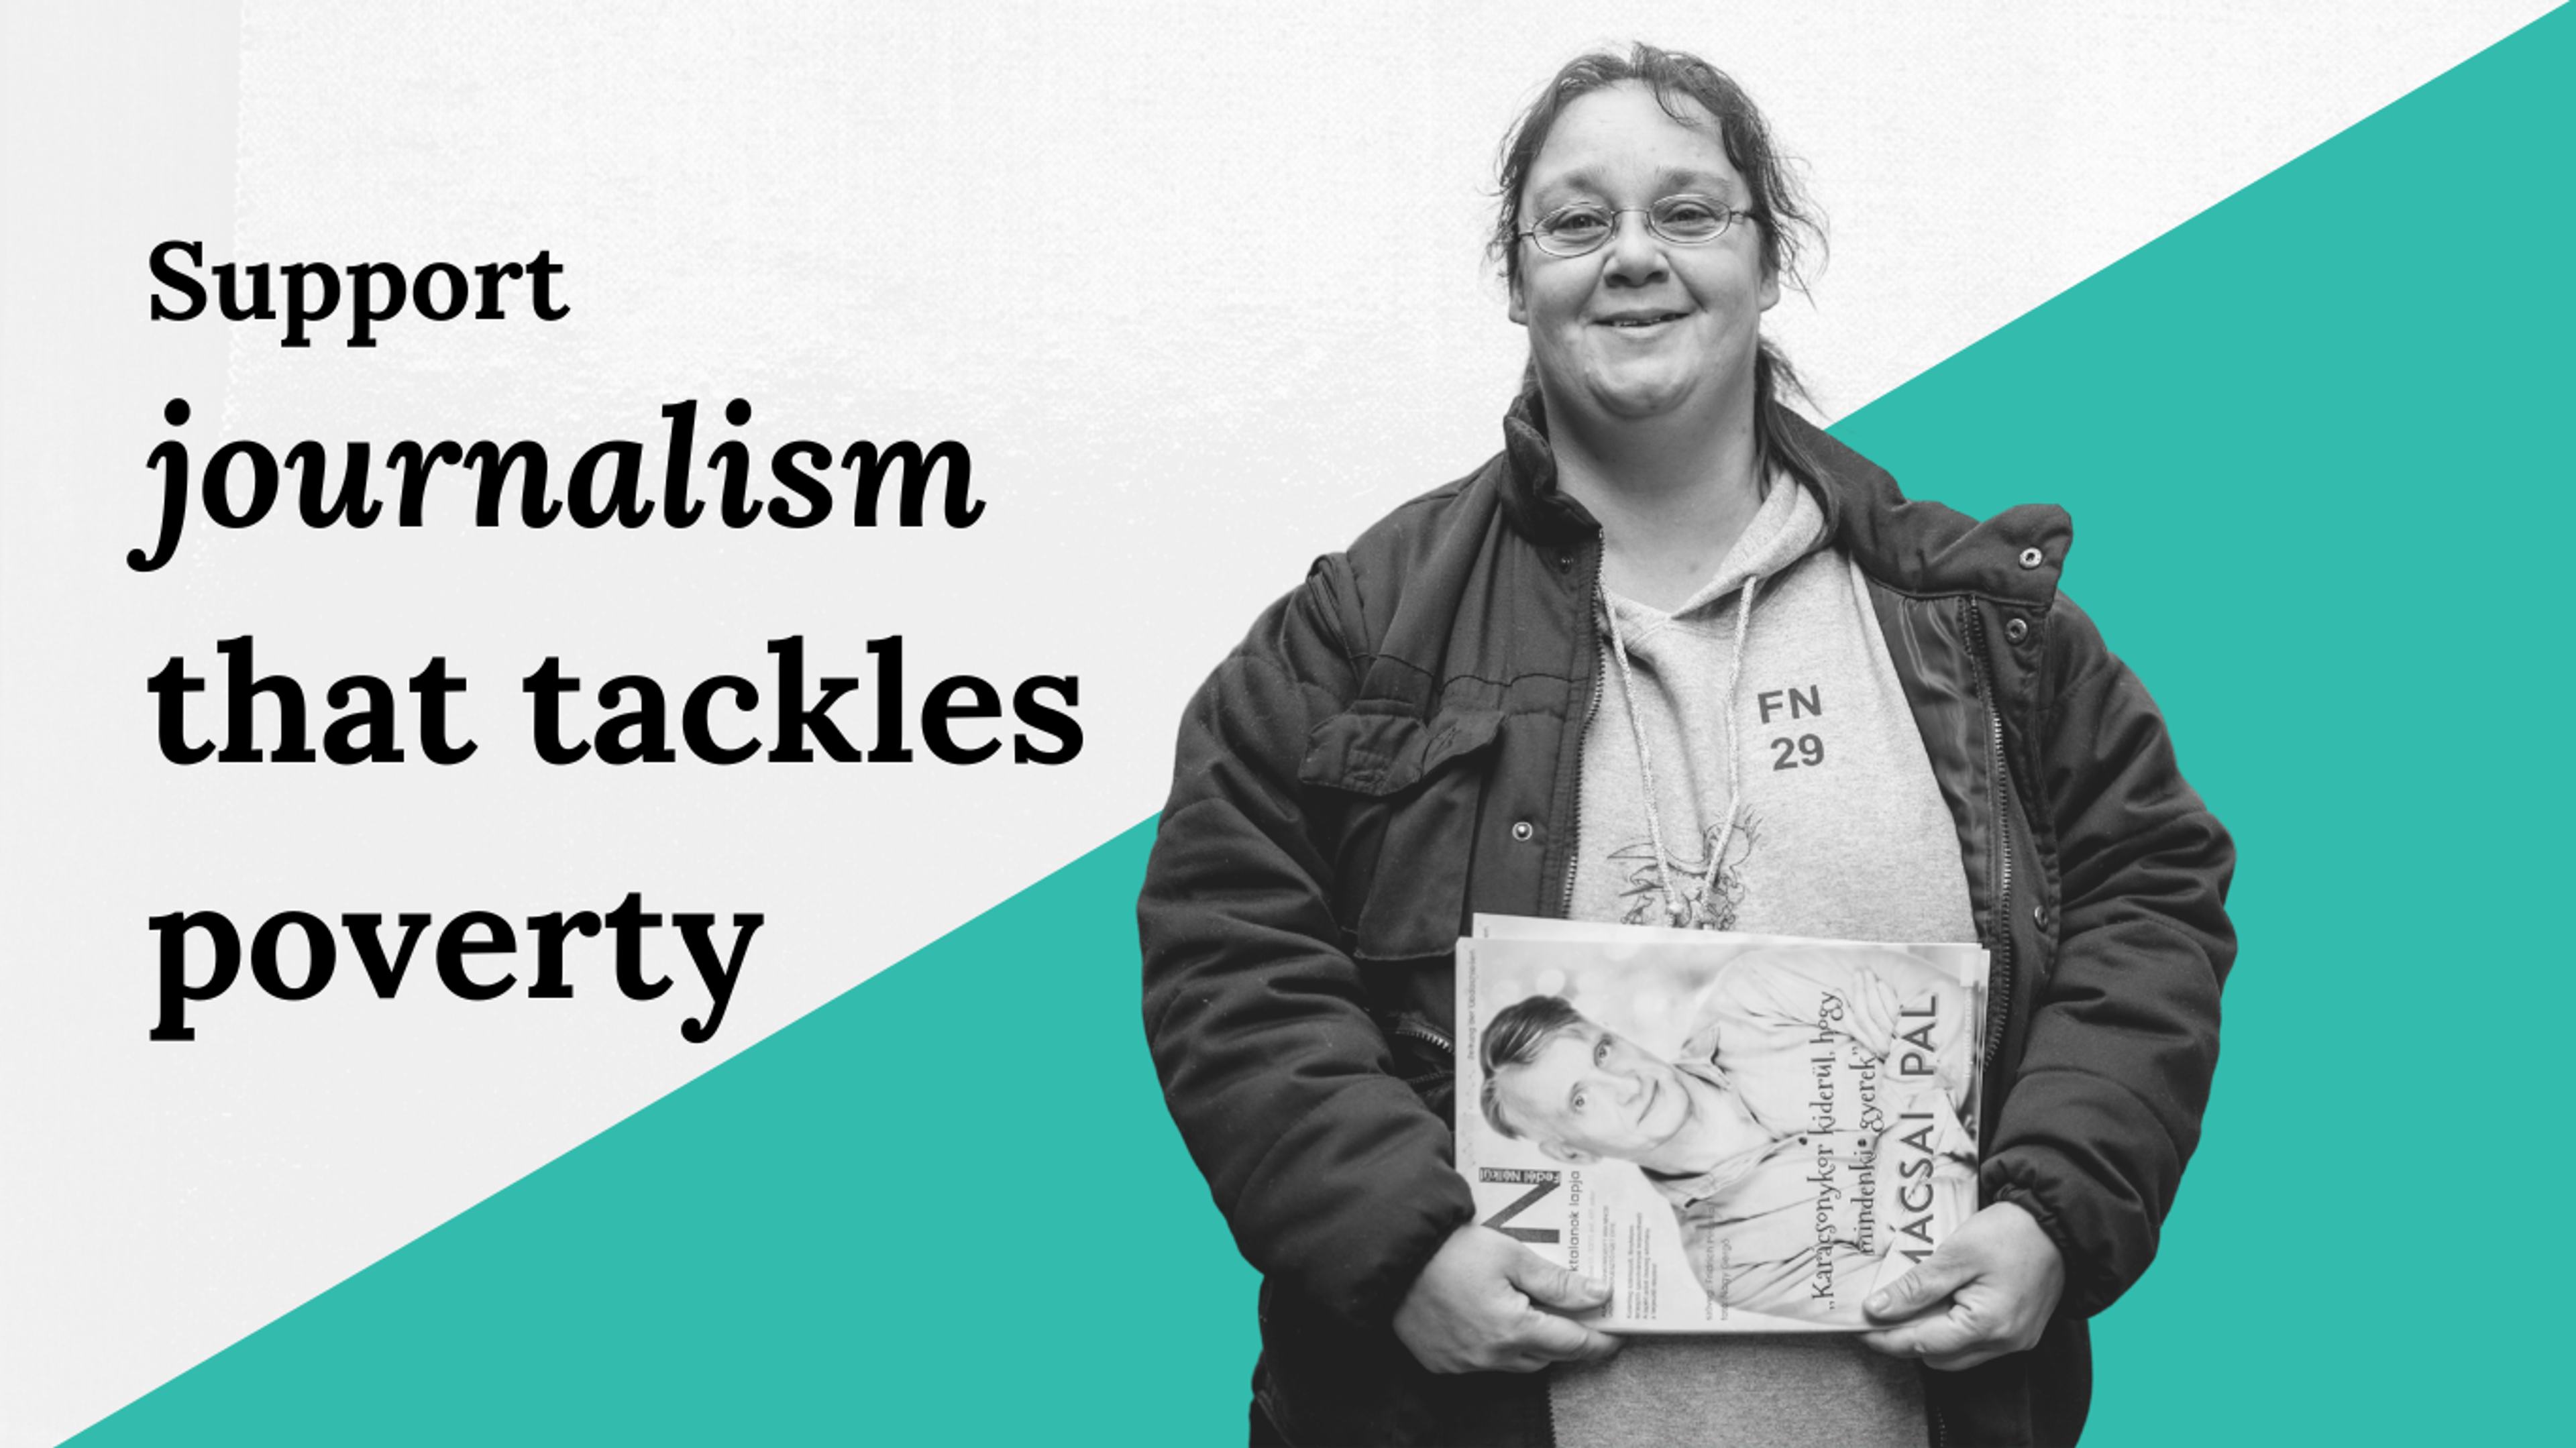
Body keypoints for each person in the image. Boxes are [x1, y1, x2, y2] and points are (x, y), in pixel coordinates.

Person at [1138, 40, 2233, 1448]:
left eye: (1690, 211)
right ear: (1517, 273)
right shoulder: (1359, 635)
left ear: (1768, 259)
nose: (1634, 256)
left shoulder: (1977, 627)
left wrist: (2049, 1210)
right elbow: (1228, 946)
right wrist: (1398, 1245)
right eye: (1579, 220)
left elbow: (2154, 895)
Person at [1476, 949, 1978, 1327]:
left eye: (1603, 1052)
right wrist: (1905, 1076)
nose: (1627, 1086)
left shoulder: (1751, 992)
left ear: (1612, 1031)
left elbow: (1947, 1003)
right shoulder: (1728, 1265)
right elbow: (1918, 1291)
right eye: (1581, 1100)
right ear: (1573, 1151)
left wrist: (1900, 1187)